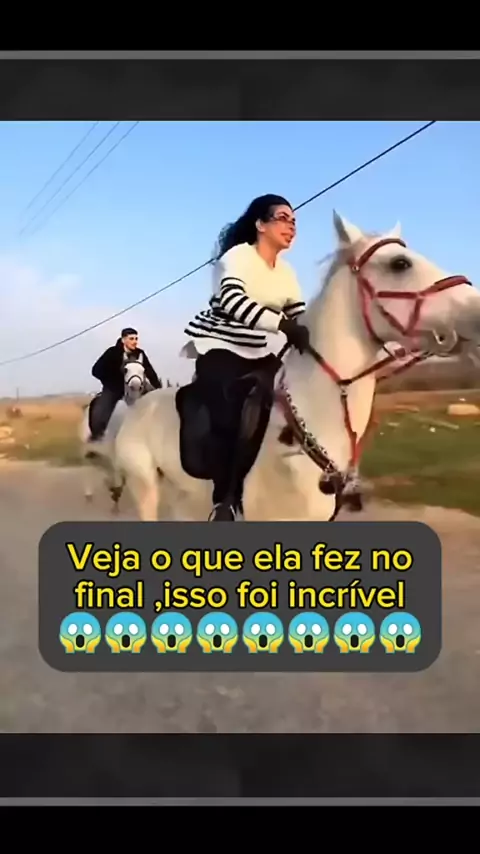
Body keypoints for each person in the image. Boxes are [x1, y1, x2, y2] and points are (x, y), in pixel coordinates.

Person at [181, 193, 310, 521]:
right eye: (283, 218)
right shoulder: (238, 257)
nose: (291, 226)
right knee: (231, 412)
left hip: (259, 351)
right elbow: (233, 301)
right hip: (219, 346)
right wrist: (283, 325)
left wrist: (312, 332)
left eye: (294, 221)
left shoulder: (287, 272)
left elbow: (299, 315)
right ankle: (224, 500)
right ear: (260, 225)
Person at [89, 327, 161, 440]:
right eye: (131, 339)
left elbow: (149, 371)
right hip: (114, 387)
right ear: (123, 340)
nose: (135, 342)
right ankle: (97, 437)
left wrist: (158, 388)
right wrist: (111, 381)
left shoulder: (140, 353)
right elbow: (96, 370)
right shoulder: (112, 352)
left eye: (136, 339)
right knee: (102, 408)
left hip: (137, 386)